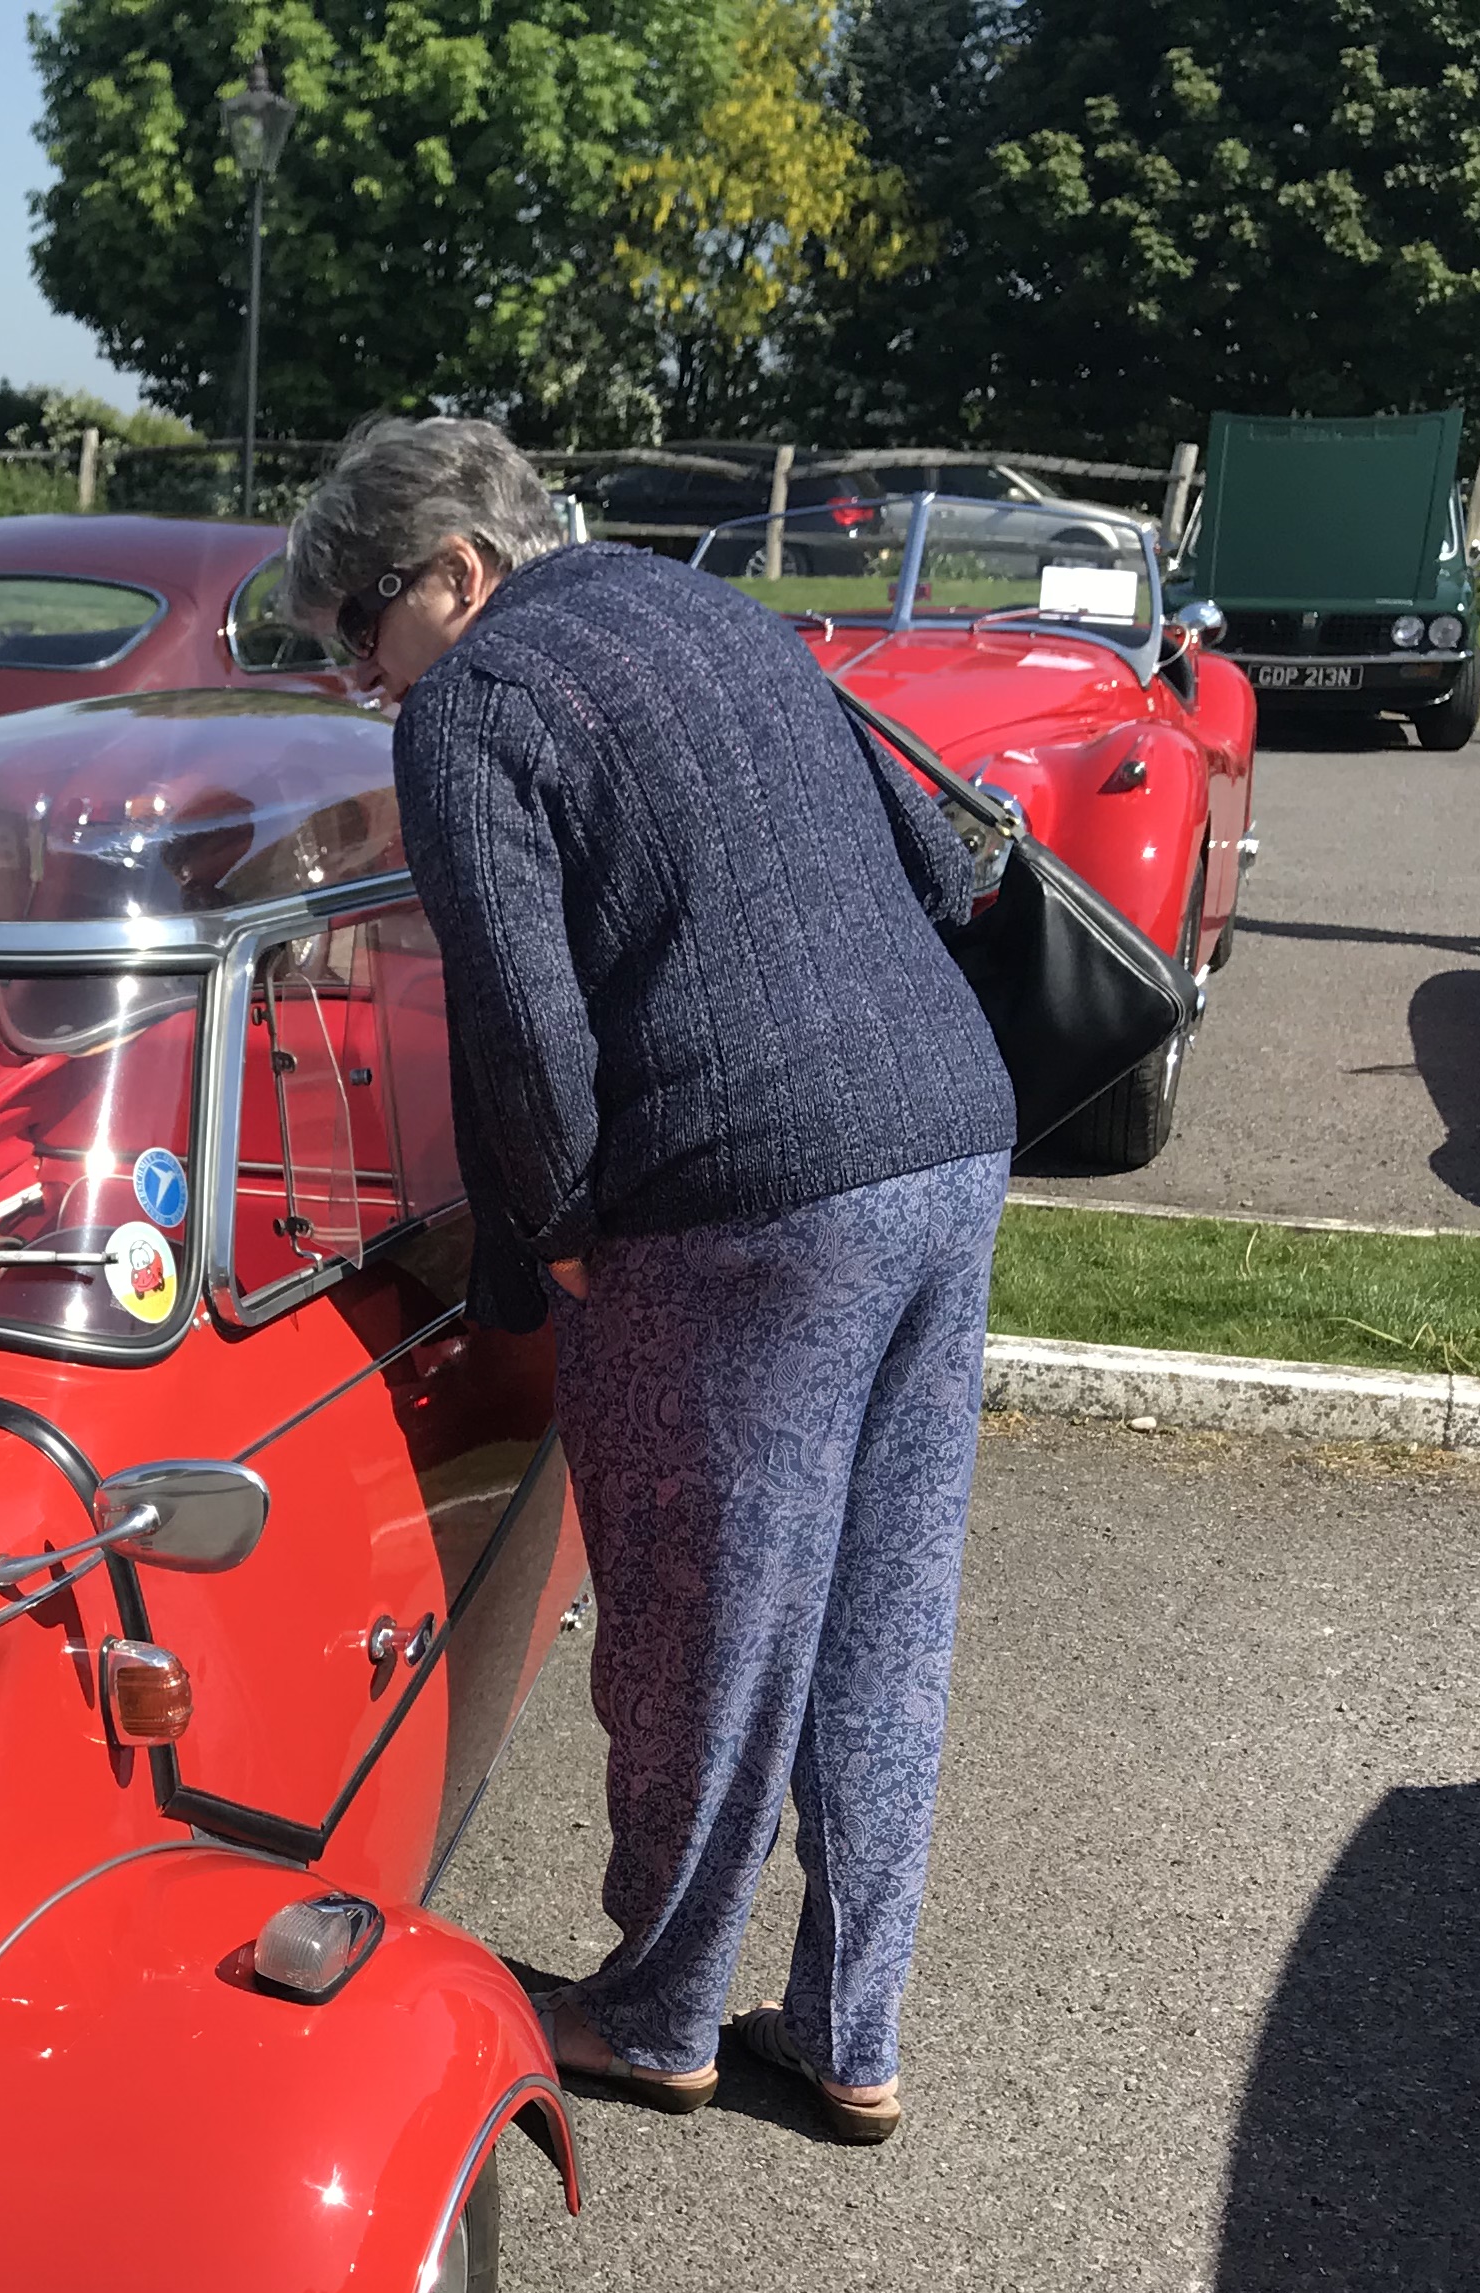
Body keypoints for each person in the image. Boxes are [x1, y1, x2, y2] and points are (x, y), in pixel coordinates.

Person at [280, 415, 1011, 2146]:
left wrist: (548, 1235)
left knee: (701, 1615)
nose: (353, 669)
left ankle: (660, 2006)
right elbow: (935, 860)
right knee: (879, 1608)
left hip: (739, 1198)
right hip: (945, 1134)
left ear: (454, 576)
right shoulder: (718, 613)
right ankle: (848, 2029)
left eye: (355, 624)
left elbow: (518, 1027)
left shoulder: (476, 706)